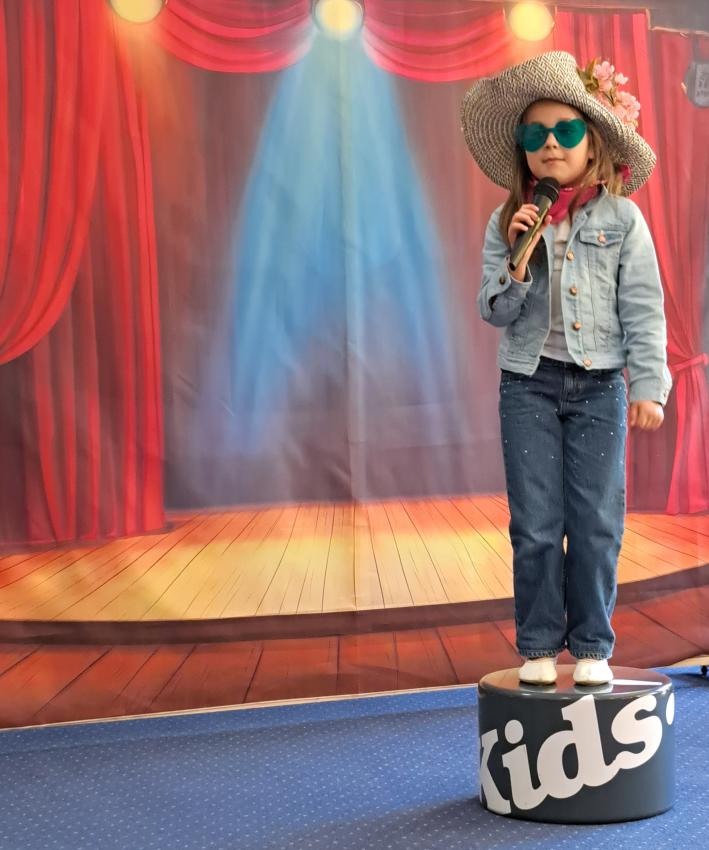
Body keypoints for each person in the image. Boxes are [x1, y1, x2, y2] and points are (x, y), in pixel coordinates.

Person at [460, 51, 672, 686]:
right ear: (523, 152)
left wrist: (649, 385)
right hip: (527, 385)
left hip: (600, 386)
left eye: (565, 130)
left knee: (597, 522)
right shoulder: (507, 222)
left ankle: (591, 645)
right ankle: (538, 645)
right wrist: (518, 259)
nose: (550, 143)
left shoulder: (622, 219)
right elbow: (493, 310)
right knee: (535, 524)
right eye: (535, 135)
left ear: (593, 142)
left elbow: (643, 305)